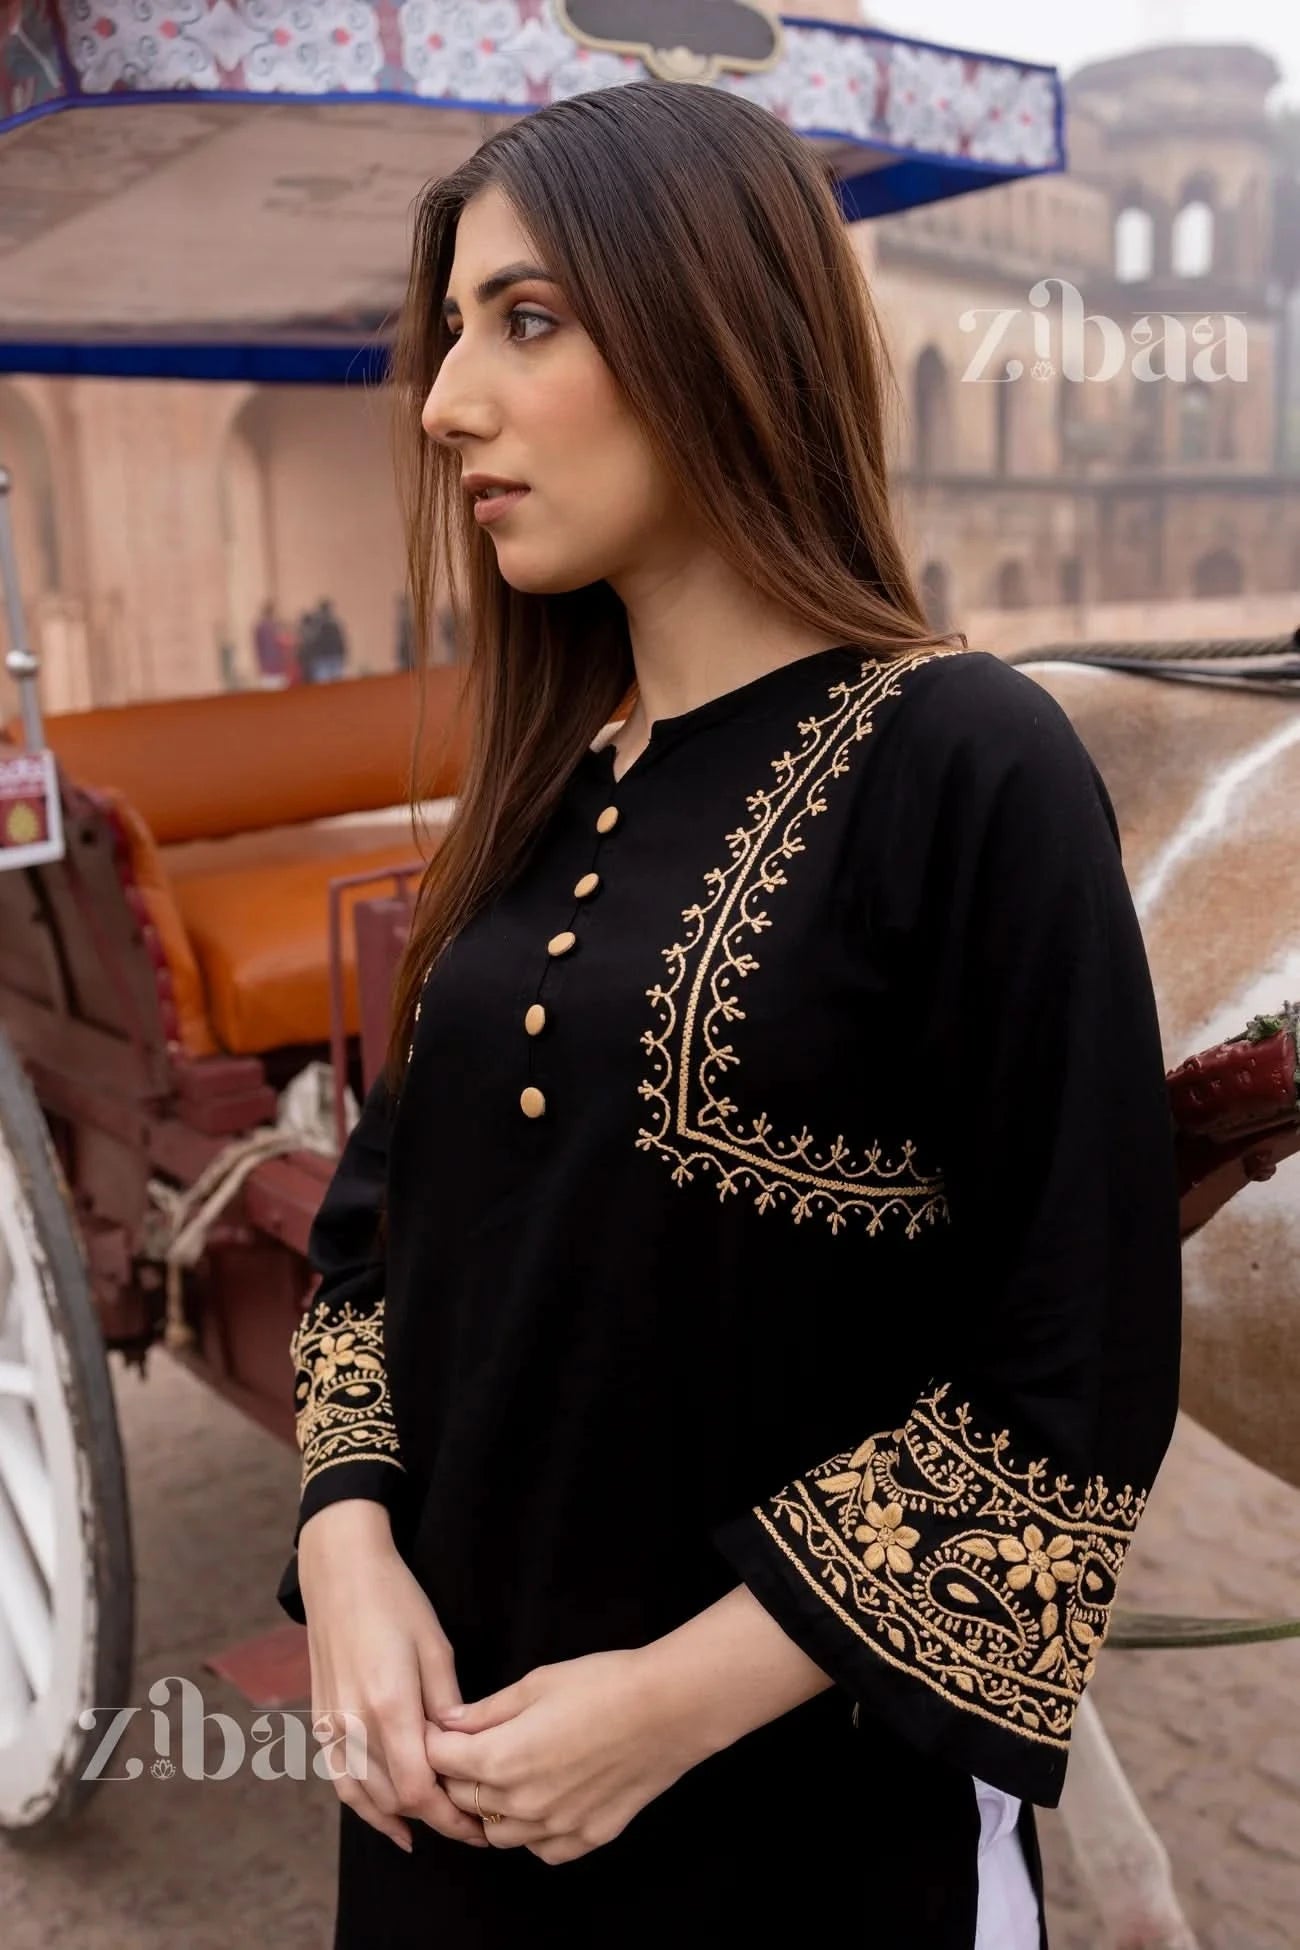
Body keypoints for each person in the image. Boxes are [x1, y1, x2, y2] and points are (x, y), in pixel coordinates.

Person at [275, 79, 1182, 1950]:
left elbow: (1073, 1371)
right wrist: (347, 1545)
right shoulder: (536, 793)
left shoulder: (966, 764)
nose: (445, 403)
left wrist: (666, 1708)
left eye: (526, 320)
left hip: (797, 1844)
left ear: (714, 327)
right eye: (453, 331)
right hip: (441, 1818)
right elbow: (373, 1238)